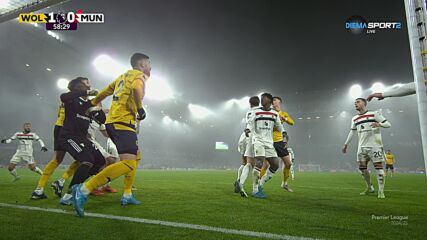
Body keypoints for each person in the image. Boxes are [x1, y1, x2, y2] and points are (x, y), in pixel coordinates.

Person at [72, 52, 150, 217]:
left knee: (136, 156)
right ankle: (84, 189)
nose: (151, 67)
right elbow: (136, 89)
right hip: (123, 123)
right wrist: (140, 108)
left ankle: (127, 193)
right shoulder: (139, 75)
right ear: (142, 64)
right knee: (129, 163)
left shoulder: (122, 77)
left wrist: (93, 103)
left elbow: (106, 91)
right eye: (149, 64)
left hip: (113, 122)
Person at [342, 98, 391, 199]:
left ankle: (381, 191)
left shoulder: (374, 114)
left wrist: (379, 124)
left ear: (364, 103)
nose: (355, 104)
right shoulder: (354, 118)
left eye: (358, 102)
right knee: (362, 168)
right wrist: (346, 144)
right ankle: (370, 188)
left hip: (375, 146)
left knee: (379, 168)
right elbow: (352, 131)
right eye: (354, 102)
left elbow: (388, 124)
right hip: (361, 147)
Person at [244, 93, 283, 199]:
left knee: (275, 164)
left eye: (264, 99)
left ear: (269, 101)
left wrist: (284, 134)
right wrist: (247, 129)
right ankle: (255, 190)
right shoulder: (255, 111)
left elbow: (279, 126)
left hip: (269, 142)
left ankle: (261, 183)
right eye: (261, 99)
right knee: (259, 162)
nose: (262, 100)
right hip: (258, 141)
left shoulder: (275, 114)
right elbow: (250, 123)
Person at [259, 96, 295, 191]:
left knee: (288, 164)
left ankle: (284, 184)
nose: (274, 102)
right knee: (266, 165)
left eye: (275, 101)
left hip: (279, 142)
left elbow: (292, 122)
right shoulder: (269, 112)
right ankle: (258, 184)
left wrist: (284, 119)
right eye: (273, 101)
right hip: (269, 141)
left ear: (279, 103)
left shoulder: (283, 114)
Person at [235, 96, 260, 198]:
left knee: (246, 163)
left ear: (250, 104)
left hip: (245, 137)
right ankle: (255, 189)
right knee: (258, 165)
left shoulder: (248, 112)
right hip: (257, 138)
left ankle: (240, 181)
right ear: (259, 103)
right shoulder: (261, 112)